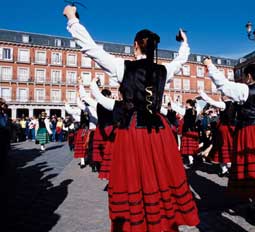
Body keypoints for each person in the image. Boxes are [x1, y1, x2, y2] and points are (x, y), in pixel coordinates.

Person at [63, 5, 199, 231]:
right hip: (158, 131)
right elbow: (182, 59)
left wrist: (72, 19)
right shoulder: (163, 70)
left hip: (133, 129)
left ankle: (139, 220)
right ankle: (160, 219)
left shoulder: (121, 66)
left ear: (135, 45)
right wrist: (183, 42)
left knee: (134, 176)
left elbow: (91, 49)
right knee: (159, 175)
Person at [203, 57, 255, 221]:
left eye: (245, 76)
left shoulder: (245, 90)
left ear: (249, 77)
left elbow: (223, 84)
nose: (243, 79)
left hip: (250, 132)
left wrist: (210, 65)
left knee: (252, 169)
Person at [198, 90, 236, 177]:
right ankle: (226, 169)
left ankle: (225, 169)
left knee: (222, 149)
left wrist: (202, 93)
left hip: (224, 129)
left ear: (225, 96)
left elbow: (210, 101)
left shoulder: (224, 104)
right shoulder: (235, 104)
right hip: (232, 128)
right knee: (229, 148)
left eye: (222, 95)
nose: (221, 96)